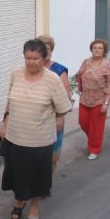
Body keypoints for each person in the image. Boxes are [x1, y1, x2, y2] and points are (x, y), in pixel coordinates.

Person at [0, 39, 71, 219]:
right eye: (27, 58)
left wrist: (45, 118)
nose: (31, 62)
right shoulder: (15, 74)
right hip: (15, 136)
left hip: (40, 139)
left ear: (44, 58)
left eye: (35, 58)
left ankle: (34, 209)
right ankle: (19, 201)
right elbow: (10, 102)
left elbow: (63, 109)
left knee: (37, 177)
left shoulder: (52, 79)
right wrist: (4, 124)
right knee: (17, 174)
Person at [75, 39, 110, 160]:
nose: (97, 50)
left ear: (104, 51)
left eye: (100, 48)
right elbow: (79, 75)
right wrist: (78, 75)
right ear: (91, 49)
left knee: (96, 126)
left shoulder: (108, 65)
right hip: (85, 98)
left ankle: (94, 148)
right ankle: (94, 138)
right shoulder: (86, 62)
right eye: (95, 48)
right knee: (83, 123)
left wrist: (106, 103)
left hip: (99, 99)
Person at [37, 35, 72, 175]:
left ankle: (47, 183)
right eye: (42, 48)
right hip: (35, 119)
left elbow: (66, 98)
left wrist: (59, 118)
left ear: (52, 50)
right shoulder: (32, 68)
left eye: (48, 48)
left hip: (53, 117)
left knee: (52, 155)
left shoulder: (59, 70)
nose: (45, 51)